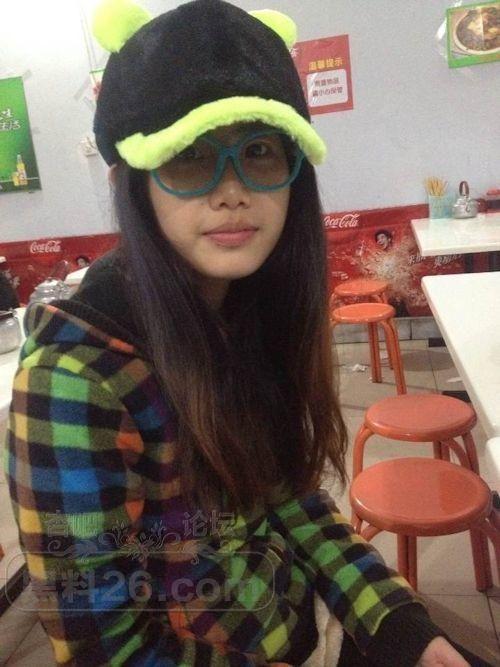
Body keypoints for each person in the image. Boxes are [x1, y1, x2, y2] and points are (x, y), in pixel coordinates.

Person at [4, 1, 490, 665]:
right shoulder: (72, 383)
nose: (231, 189)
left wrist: (400, 626)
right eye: (189, 155)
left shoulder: (248, 310)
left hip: (307, 621)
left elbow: (290, 500)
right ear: (132, 182)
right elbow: (108, 651)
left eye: (259, 151)